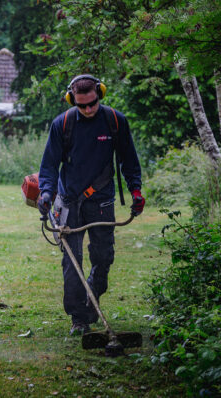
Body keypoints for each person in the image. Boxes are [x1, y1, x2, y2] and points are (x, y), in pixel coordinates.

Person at [37, 75, 145, 336]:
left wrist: (136, 190)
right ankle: (79, 318)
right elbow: (50, 164)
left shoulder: (115, 121)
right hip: (69, 201)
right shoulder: (62, 124)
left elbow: (128, 159)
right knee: (72, 260)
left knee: (104, 257)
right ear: (71, 100)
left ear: (100, 94)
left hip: (102, 200)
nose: (87, 110)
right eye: (81, 105)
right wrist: (46, 192)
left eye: (92, 104)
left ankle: (92, 293)